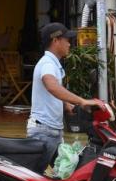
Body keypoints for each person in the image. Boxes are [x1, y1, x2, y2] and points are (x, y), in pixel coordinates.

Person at [27, 22, 97, 162]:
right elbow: (52, 86)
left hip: (51, 131)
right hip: (45, 132)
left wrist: (66, 104)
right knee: (47, 176)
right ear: (55, 41)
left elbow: (54, 89)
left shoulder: (52, 63)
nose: (69, 44)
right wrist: (81, 101)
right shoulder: (47, 63)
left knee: (64, 174)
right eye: (67, 40)